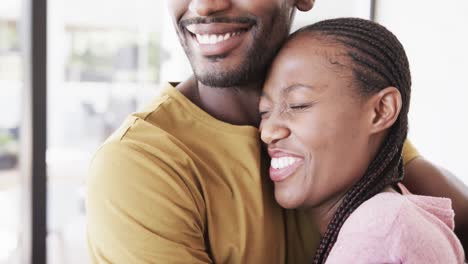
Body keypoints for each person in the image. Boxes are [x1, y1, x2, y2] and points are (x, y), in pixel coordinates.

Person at [86, 1, 468, 263]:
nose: (203, 7)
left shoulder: (341, 115)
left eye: (298, 106)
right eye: (268, 112)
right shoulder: (142, 164)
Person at [259, 17, 465, 263]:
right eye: (264, 112)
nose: (267, 131)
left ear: (381, 110)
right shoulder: (389, 221)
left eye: (298, 104)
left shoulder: (381, 228)